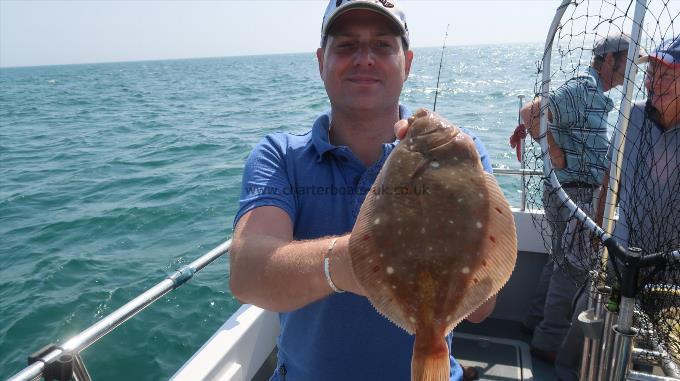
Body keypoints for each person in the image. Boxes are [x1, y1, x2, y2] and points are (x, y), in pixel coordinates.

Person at [229, 1, 496, 380]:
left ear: (408, 61)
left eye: (383, 45)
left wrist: (464, 194)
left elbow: (484, 307)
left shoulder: (460, 153)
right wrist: (361, 260)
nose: (365, 59)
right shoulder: (279, 156)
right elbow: (247, 274)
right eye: (347, 45)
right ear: (321, 60)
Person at [555, 36, 679, 381]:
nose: (655, 81)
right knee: (589, 327)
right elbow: (612, 178)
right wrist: (597, 233)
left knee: (659, 354)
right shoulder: (633, 116)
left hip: (672, 270)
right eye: (652, 70)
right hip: (622, 253)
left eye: (668, 74)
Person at [508, 33, 633, 363]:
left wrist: (551, 145)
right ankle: (548, 340)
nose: (629, 69)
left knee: (559, 259)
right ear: (609, 60)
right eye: (626, 61)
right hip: (572, 191)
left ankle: (534, 323)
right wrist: (553, 151)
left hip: (571, 192)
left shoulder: (594, 91)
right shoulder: (583, 87)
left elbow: (540, 116)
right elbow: (531, 111)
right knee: (573, 269)